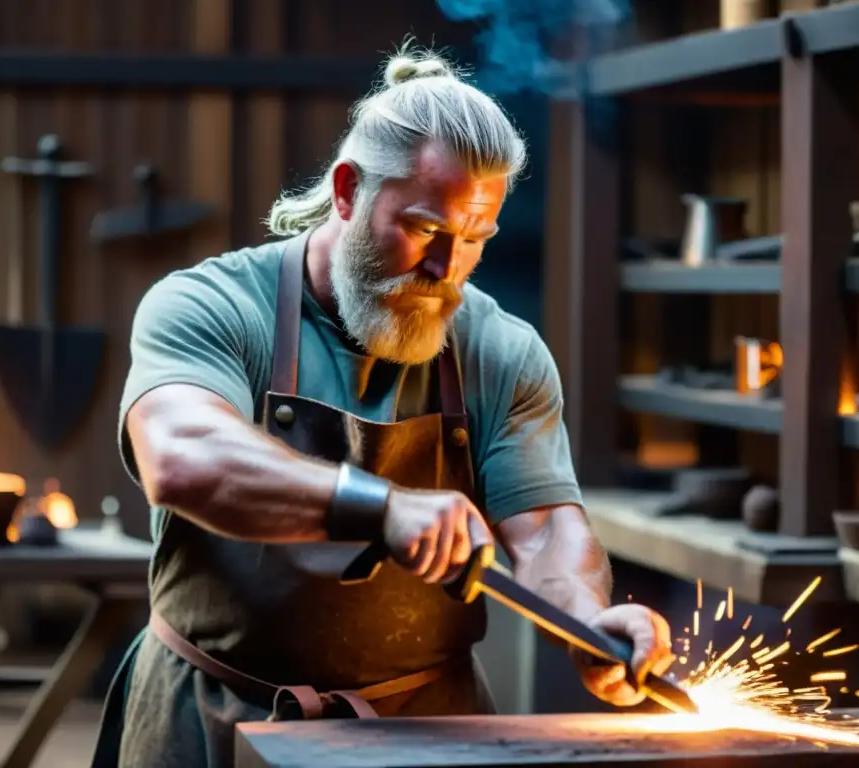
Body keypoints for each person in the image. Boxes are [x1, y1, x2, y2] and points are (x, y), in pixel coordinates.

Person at [90, 41, 676, 768]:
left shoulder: (502, 352)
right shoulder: (208, 304)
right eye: (425, 230)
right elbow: (183, 459)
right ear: (346, 191)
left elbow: (547, 529)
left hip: (427, 733)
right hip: (209, 720)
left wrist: (588, 620)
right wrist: (382, 509)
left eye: (473, 240)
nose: (446, 270)